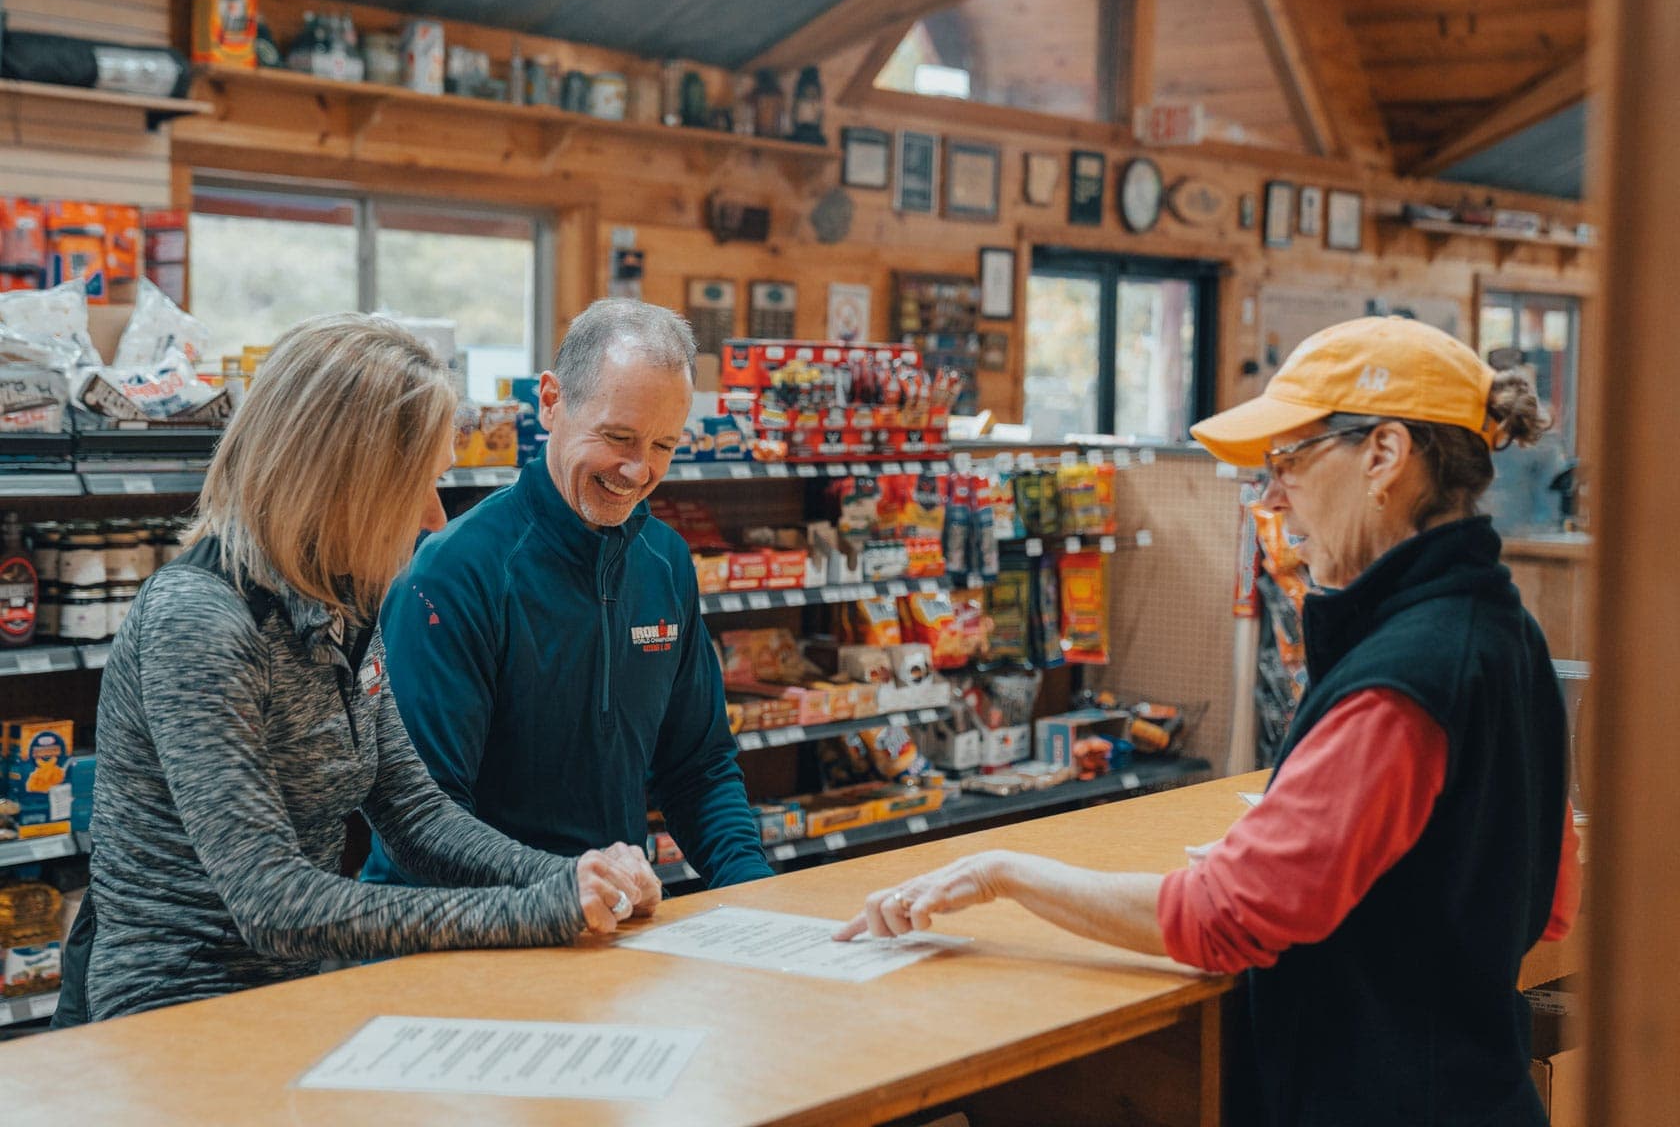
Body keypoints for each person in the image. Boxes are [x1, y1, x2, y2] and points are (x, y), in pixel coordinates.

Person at [840, 316, 1581, 1127]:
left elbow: (1219, 919)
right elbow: (1550, 901)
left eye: (1288, 461)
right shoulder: (1507, 632)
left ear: (1384, 456)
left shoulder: (1405, 675)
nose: (1272, 495)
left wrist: (1001, 873)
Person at [58, 314, 659, 1027]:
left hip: (297, 997)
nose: (437, 516)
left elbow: (414, 814)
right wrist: (536, 909)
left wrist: (572, 876)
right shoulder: (201, 622)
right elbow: (275, 905)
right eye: (423, 482)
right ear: (345, 482)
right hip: (171, 1012)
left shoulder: (339, 604)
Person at [363, 300, 771, 891]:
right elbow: (424, 824)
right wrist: (564, 888)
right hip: (459, 936)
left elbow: (699, 768)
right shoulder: (453, 573)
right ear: (551, 402)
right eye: (618, 437)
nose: (637, 470)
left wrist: (755, 890)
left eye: (663, 445)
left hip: (604, 920)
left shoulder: (666, 562)